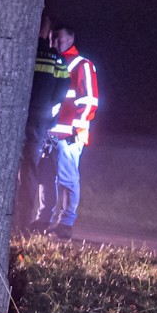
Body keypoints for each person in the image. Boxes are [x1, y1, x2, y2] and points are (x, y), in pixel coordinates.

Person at [36, 25, 99, 238]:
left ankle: (66, 223)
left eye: (59, 38)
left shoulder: (83, 65)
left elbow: (89, 101)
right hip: (49, 133)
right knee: (46, 179)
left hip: (70, 135)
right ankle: (43, 219)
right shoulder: (53, 62)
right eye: (52, 38)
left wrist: (76, 128)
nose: (54, 42)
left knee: (67, 179)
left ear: (71, 39)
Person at [20, 15, 68, 227]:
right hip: (40, 120)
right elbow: (62, 90)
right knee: (29, 168)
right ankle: (22, 222)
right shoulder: (56, 58)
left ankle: (13, 219)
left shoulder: (23, 50)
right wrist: (50, 115)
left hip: (19, 117)